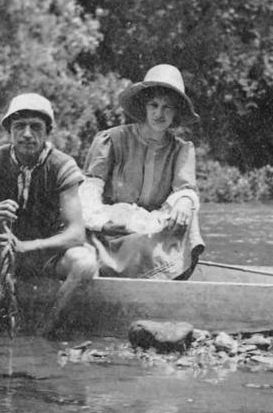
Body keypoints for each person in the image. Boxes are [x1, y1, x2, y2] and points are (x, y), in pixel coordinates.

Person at [0, 93, 97, 335]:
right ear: (10, 130)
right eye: (19, 126)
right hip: (2, 251)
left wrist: (27, 247)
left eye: (36, 127)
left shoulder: (62, 165)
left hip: (46, 256)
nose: (27, 134)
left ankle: (43, 336)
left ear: (48, 132)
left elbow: (76, 234)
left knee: (84, 263)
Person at [80, 64, 205, 280]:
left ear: (175, 112)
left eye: (167, 107)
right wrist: (103, 221)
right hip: (111, 228)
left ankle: (168, 278)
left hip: (154, 230)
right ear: (144, 107)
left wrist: (184, 201)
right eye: (153, 105)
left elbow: (185, 188)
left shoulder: (181, 149)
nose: (159, 113)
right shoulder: (112, 139)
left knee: (182, 214)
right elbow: (89, 191)